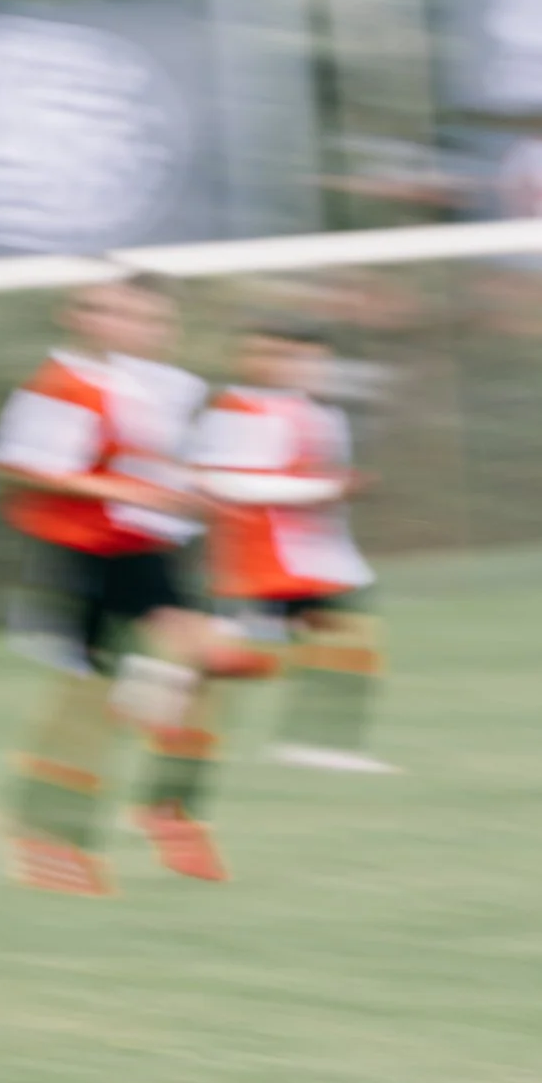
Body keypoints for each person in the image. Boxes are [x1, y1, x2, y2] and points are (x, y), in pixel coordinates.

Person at [0, 277, 271, 892]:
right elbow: (23, 467)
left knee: (182, 678)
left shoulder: (161, 385)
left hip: (148, 547)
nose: (147, 328)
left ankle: (162, 808)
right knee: (112, 693)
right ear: (80, 318)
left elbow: (161, 459)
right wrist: (123, 489)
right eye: (125, 315)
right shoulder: (60, 387)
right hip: (86, 552)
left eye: (154, 317)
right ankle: (54, 834)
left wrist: (193, 488)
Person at [193, 323, 395, 775]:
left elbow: (321, 484)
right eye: (294, 358)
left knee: (352, 638)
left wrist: (333, 504)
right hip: (256, 560)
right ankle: (161, 698)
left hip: (314, 560)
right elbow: (221, 481)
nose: (308, 369)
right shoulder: (237, 409)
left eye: (316, 360)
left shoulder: (323, 415)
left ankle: (323, 745)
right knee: (236, 661)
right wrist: (318, 491)